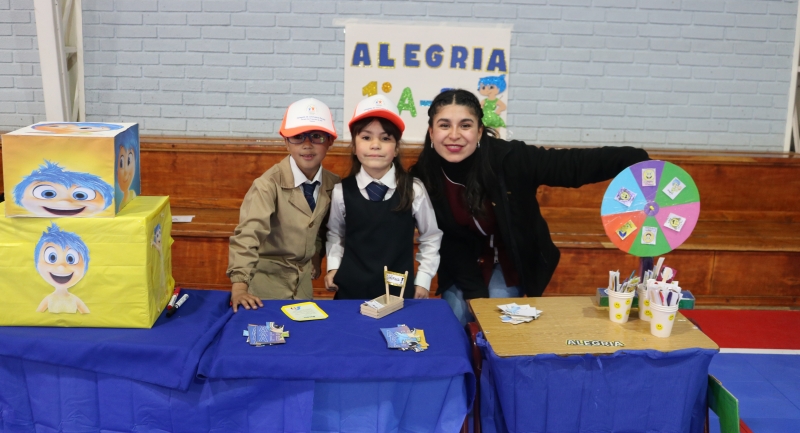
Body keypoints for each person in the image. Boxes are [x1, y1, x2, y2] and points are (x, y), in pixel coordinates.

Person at [410, 89, 649, 325]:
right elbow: (450, 243)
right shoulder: (424, 177)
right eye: (444, 125)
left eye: (465, 125)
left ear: (480, 131)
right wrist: (475, 295)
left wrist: (632, 158)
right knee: (456, 325)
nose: (454, 135)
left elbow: (571, 166)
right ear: (431, 132)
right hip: (461, 263)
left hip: (509, 262)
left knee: (497, 326)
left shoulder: (510, 159)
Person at [227, 98, 340, 311]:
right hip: (264, 290)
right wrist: (240, 287)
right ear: (285, 141)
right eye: (297, 137)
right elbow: (248, 235)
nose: (307, 145)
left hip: (304, 289)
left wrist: (316, 254)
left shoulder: (334, 184)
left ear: (330, 141)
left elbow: (324, 228)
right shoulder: (267, 185)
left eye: (317, 136)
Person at [325, 95, 441, 300]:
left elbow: (431, 237)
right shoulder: (341, 191)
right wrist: (333, 267)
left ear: (396, 148)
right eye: (366, 137)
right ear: (354, 145)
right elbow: (336, 234)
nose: (375, 145)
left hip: (397, 293)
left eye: (386, 138)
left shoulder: (413, 189)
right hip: (350, 292)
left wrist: (423, 280)